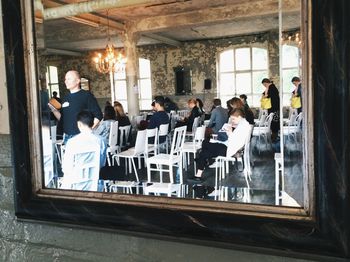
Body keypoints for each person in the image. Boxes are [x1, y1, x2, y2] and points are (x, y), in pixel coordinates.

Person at [192, 108, 251, 181]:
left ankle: (202, 163)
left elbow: (234, 140)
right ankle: (203, 163)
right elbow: (236, 140)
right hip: (231, 147)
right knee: (206, 146)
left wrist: (229, 133)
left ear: (239, 117)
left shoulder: (242, 126)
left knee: (205, 146)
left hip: (230, 149)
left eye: (233, 119)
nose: (232, 121)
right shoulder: (244, 124)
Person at [48, 70, 103, 144]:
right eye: (65, 79)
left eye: (69, 79)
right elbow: (62, 118)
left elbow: (98, 115)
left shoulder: (86, 95)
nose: (66, 81)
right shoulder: (65, 98)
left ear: (77, 81)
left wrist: (88, 131)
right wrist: (54, 110)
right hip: (67, 137)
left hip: (81, 137)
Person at [61, 110, 107, 191]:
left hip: (74, 186)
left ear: (79, 124)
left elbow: (66, 168)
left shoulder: (72, 142)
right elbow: (102, 163)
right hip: (95, 185)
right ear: (93, 123)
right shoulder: (101, 140)